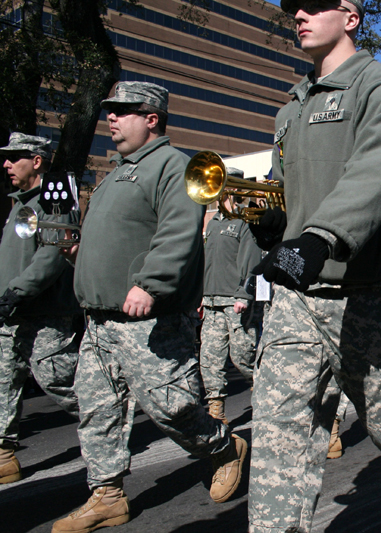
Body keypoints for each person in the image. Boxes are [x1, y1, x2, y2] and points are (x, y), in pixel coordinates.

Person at [246, 2, 381, 532]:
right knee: (278, 437)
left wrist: (321, 235)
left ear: (350, 17)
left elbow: (378, 169)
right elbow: (286, 191)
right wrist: (272, 222)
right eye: (292, 4)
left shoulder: (379, 88)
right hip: (299, 297)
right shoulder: (290, 107)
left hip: (373, 292)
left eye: (314, 4)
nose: (298, 13)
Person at [53, 82, 247, 532]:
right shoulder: (113, 174)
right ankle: (107, 495)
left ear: (152, 118)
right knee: (98, 410)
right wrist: (80, 255)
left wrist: (151, 283)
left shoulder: (170, 166)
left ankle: (222, 447)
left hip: (148, 319)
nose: (112, 119)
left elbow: (179, 232)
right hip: (100, 320)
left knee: (171, 407)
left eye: (122, 112)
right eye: (110, 112)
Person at [0, 133, 81, 484]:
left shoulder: (54, 201)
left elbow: (53, 255)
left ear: (36, 161)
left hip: (45, 311)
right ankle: (4, 455)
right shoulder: (17, 205)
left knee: (57, 379)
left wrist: (18, 290)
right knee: (3, 380)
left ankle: (108, 412)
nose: (6, 163)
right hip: (13, 312)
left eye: (14, 156)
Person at [200, 172, 263, 425]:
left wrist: (244, 294)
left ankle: (263, 391)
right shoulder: (213, 223)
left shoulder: (244, 221)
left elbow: (251, 260)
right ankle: (216, 411)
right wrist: (200, 295)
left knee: (243, 357)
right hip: (211, 301)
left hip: (235, 301)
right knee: (210, 359)